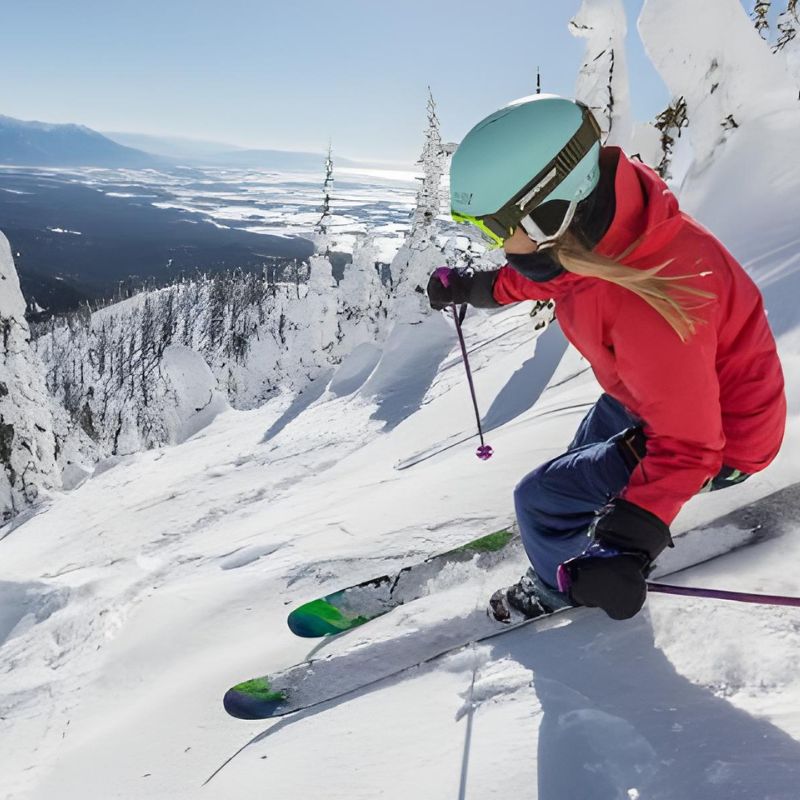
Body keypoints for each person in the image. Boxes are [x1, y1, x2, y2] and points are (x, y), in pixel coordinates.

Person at [427, 95, 786, 621]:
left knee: (538, 498)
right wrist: (475, 288)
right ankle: (575, 519)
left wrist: (628, 543)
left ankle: (553, 584)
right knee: (582, 453)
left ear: (549, 213)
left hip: (724, 439)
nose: (496, 243)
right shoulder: (604, 230)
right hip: (664, 400)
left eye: (497, 227)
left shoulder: (650, 303)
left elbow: (690, 446)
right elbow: (553, 276)